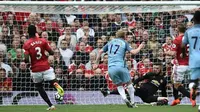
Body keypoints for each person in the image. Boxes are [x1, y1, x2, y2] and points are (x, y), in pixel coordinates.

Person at [96, 30, 145, 108]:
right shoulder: (124, 43)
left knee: (119, 85)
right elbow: (134, 52)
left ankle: (124, 98)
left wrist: (96, 63)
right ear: (124, 36)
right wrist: (140, 47)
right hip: (121, 66)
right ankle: (132, 103)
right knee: (129, 84)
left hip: (111, 68)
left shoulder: (110, 42)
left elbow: (100, 51)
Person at [23, 25, 64, 110]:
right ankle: (58, 89)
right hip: (45, 66)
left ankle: (50, 105)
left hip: (35, 69)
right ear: (36, 32)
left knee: (39, 87)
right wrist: (46, 54)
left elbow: (26, 60)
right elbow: (51, 52)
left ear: (28, 32)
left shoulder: (26, 44)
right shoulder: (43, 41)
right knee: (53, 81)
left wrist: (29, 59)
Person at [100, 62, 168, 106]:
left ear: (161, 69)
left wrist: (166, 100)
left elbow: (163, 91)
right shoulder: (150, 74)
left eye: (157, 68)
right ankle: (108, 92)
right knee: (128, 89)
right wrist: (133, 84)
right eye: (154, 68)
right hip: (143, 89)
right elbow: (139, 79)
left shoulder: (163, 80)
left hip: (148, 96)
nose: (155, 69)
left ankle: (157, 103)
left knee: (165, 99)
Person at [165, 24, 196, 106]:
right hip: (190, 65)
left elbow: (173, 53)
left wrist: (166, 52)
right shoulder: (190, 38)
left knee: (176, 84)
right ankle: (176, 99)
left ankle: (190, 96)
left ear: (178, 30)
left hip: (181, 65)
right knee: (177, 81)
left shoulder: (177, 40)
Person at [182, 10, 200, 111]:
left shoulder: (189, 31)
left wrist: (184, 54)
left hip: (194, 60)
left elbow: (183, 45)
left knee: (193, 81)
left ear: (194, 20)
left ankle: (192, 86)